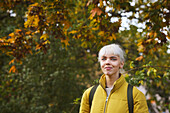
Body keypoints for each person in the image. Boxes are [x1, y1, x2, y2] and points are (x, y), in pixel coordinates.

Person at [79, 44, 149, 113]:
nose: (107, 62)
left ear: (121, 64)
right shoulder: (89, 94)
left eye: (113, 59)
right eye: (103, 59)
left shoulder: (135, 95)